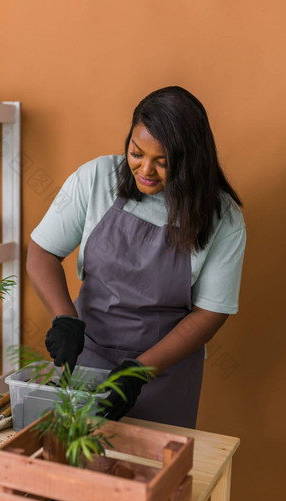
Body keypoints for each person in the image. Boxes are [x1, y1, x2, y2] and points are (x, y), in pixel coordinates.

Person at [27, 86, 246, 428]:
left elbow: (210, 313)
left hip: (164, 375)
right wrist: (65, 319)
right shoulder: (96, 178)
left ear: (191, 159)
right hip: (89, 357)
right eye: (136, 153)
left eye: (163, 162)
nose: (145, 170)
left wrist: (138, 372)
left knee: (155, 476)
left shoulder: (223, 218)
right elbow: (42, 251)